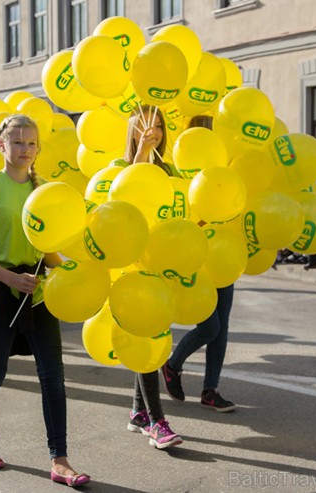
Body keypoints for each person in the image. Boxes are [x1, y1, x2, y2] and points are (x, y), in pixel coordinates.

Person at [0, 114, 89, 486]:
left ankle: (61, 460)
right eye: (17, 142)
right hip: (0, 292)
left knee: (53, 377)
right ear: (1, 146)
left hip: (39, 293)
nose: (25, 149)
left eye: (31, 143)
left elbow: (49, 249)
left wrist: (72, 273)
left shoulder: (46, 189)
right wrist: (10, 278)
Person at [112, 105, 183, 449]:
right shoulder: (118, 168)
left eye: (158, 126)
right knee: (147, 339)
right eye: (144, 126)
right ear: (132, 130)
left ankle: (139, 413)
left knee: (155, 338)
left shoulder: (168, 169)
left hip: (160, 265)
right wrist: (140, 155)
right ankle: (157, 421)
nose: (152, 132)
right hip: (130, 267)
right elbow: (122, 197)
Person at [159, 114, 237, 413]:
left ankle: (210, 390)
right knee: (210, 327)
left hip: (223, 257)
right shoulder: (180, 176)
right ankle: (173, 365)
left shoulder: (223, 173)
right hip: (192, 258)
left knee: (223, 327)